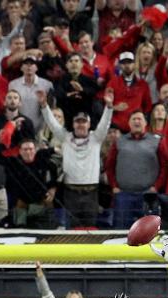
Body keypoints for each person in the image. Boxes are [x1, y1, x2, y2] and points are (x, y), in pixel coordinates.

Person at [39, 89, 113, 227]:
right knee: (72, 227)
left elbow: (105, 124)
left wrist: (109, 107)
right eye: (77, 122)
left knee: (90, 226)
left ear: (89, 125)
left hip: (91, 191)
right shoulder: (66, 138)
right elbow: (53, 124)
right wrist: (44, 106)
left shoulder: (95, 138)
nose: (80, 124)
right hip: (70, 191)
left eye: (84, 122)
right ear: (73, 124)